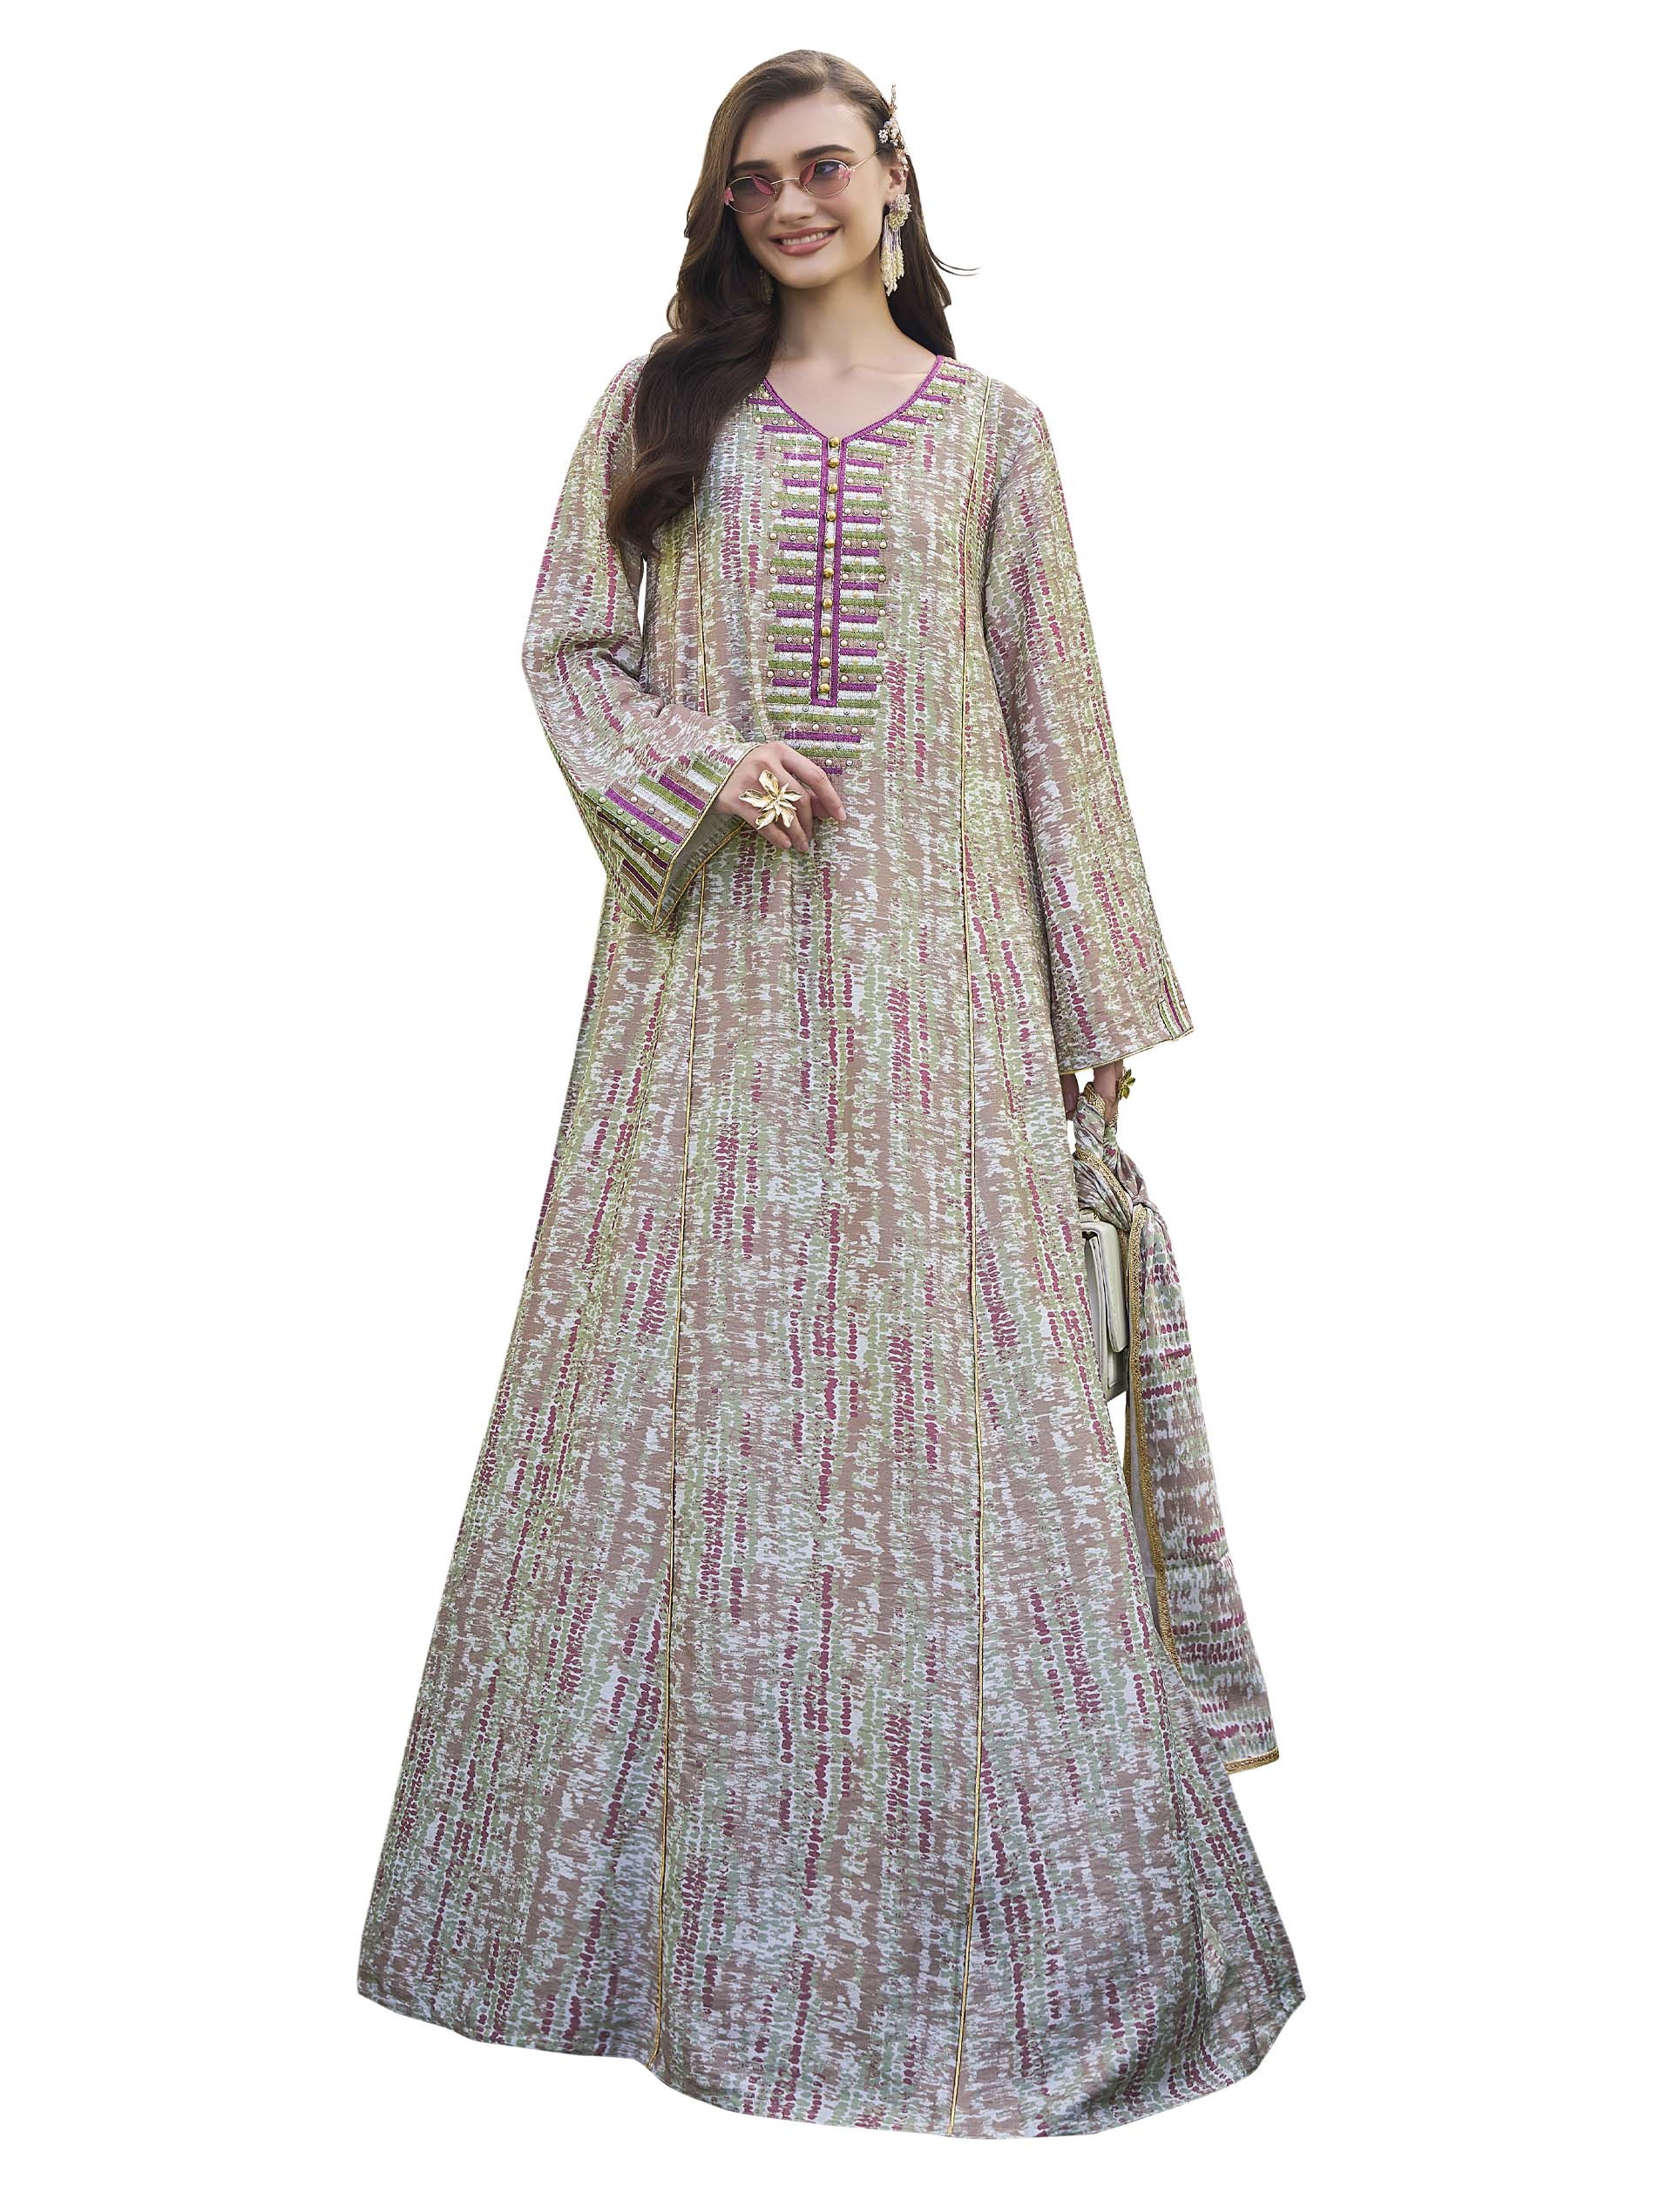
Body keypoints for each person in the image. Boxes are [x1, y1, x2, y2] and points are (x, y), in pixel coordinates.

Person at [356, 48, 1304, 2138]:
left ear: (892, 180)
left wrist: (1089, 1001)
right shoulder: (658, 407)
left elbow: (1054, 714)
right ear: (726, 208)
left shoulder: (996, 435)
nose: (789, 203)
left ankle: (1003, 1924)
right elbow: (567, 650)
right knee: (679, 1387)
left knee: (952, 1401)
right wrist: (699, 766)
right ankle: (638, 1935)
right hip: (706, 987)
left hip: (941, 984)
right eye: (752, 180)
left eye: (822, 168)